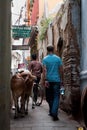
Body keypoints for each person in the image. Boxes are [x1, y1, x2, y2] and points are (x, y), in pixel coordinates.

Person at [42, 44, 63, 121]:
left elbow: (44, 71)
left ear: (47, 50)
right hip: (57, 80)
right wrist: (62, 80)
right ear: (53, 50)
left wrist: (45, 80)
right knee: (56, 97)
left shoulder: (45, 59)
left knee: (49, 97)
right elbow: (61, 70)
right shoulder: (58, 59)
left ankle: (52, 112)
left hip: (48, 81)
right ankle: (53, 112)